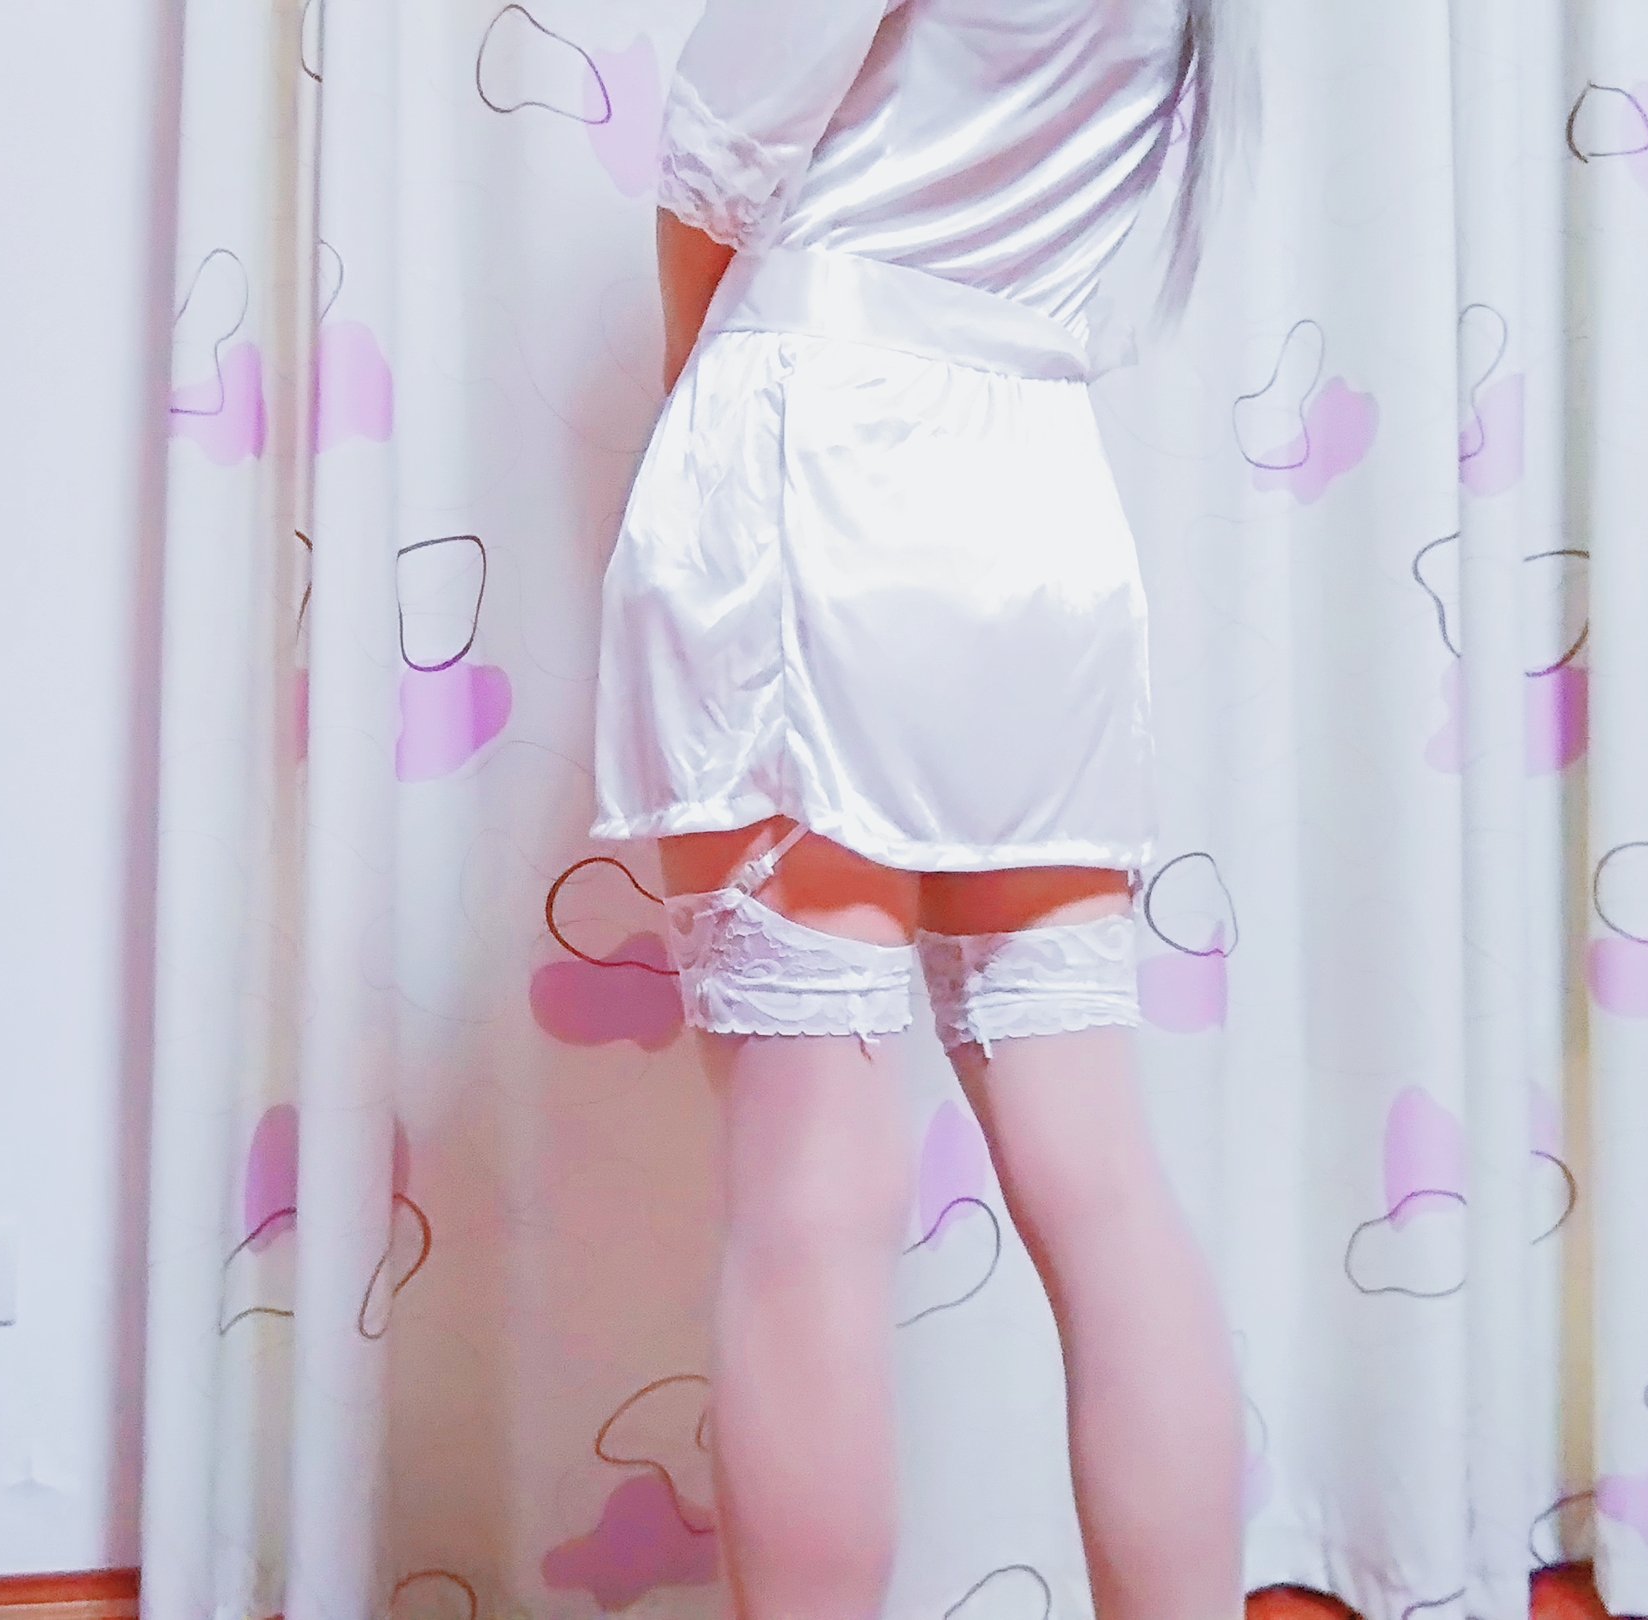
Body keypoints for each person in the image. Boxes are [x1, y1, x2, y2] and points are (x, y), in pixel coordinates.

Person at [588, 0, 1250, 1614]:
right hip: (1037, 495)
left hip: (821, 456)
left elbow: (715, 163)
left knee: (808, 1189)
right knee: (1100, 1174)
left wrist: (696, 415)